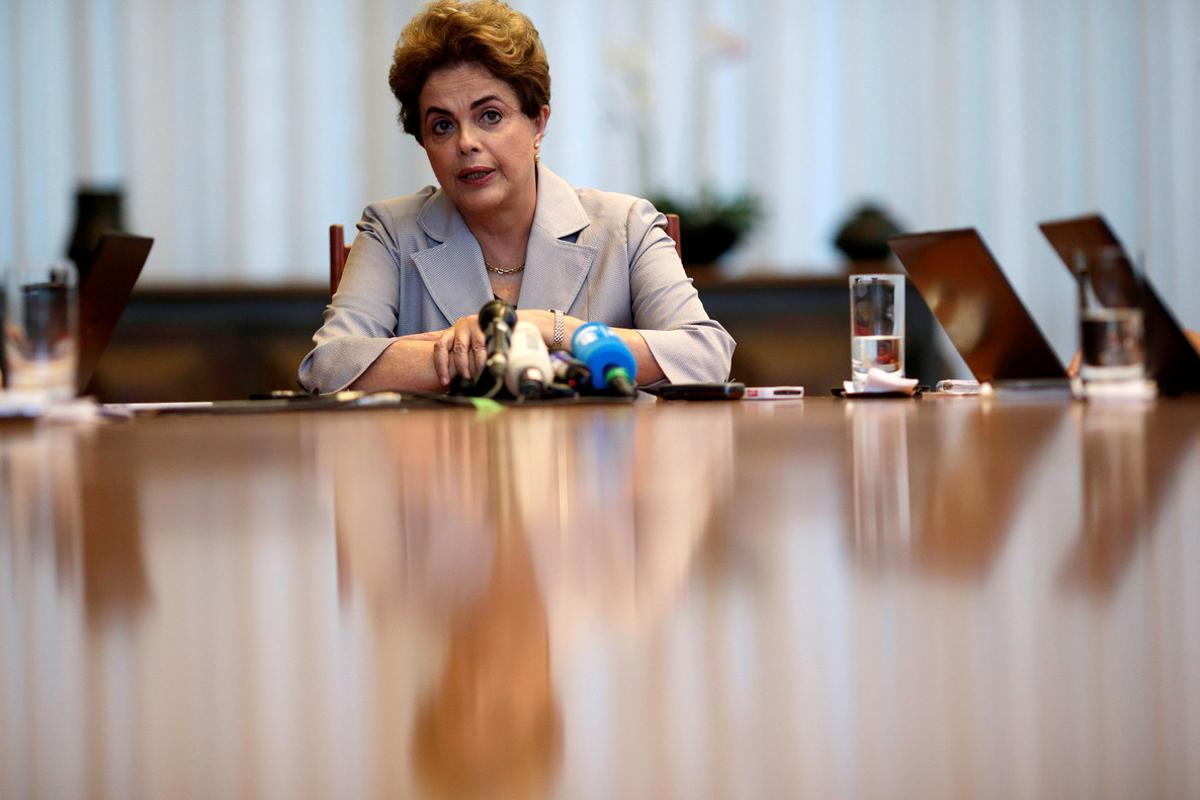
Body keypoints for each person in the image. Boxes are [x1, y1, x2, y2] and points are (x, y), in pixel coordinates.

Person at [298, 0, 735, 394]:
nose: (466, 142)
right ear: (424, 141)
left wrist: (550, 329)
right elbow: (330, 367)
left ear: (538, 122)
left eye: (490, 116)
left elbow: (704, 355)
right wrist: (500, 352)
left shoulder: (625, 226)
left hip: (593, 476)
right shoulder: (392, 232)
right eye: (442, 125)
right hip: (438, 475)